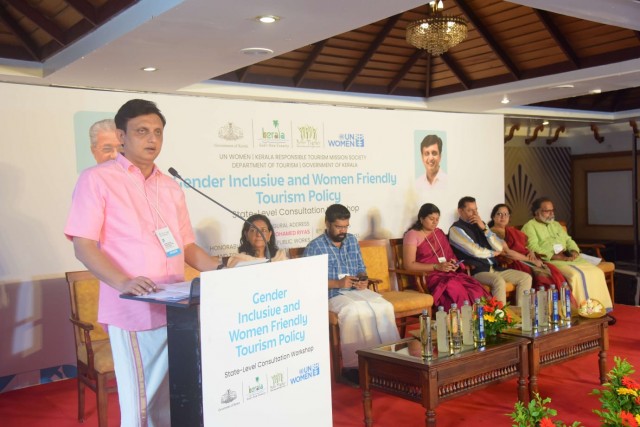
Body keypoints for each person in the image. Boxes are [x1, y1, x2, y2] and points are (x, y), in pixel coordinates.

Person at [65, 99, 222, 427]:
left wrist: (222, 271)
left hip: (178, 309)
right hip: (134, 308)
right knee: (142, 404)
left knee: (174, 401)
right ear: (121, 136)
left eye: (158, 132)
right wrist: (124, 282)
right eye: (142, 131)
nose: (152, 139)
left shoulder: (170, 186)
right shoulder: (97, 179)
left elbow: (186, 245)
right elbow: (84, 245)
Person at [303, 204, 399, 383]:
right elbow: (308, 283)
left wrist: (363, 278)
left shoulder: (352, 240)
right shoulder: (314, 247)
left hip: (356, 291)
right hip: (332, 294)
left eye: (346, 226)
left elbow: (361, 267)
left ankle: (390, 360)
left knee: (385, 306)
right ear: (327, 223)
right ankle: (354, 367)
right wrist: (338, 283)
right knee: (354, 311)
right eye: (338, 227)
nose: (343, 231)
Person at [521, 197, 613, 313]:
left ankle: (600, 309)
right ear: (536, 212)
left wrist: (574, 251)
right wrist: (557, 257)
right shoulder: (529, 227)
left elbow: (568, 240)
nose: (551, 214)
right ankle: (582, 311)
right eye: (547, 211)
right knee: (576, 275)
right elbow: (533, 248)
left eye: (552, 210)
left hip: (569, 258)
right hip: (552, 260)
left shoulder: (556, 225)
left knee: (596, 272)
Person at [403, 203, 489, 311]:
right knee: (455, 289)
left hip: (447, 273)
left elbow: (449, 255)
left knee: (475, 288)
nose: (435, 222)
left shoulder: (438, 233)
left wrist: (454, 264)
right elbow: (409, 265)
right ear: (421, 219)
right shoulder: (412, 235)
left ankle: (481, 318)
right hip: (427, 276)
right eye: (431, 219)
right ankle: (459, 319)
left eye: (437, 219)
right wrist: (436, 266)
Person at [449, 196, 532, 307]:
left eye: (476, 210)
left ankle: (522, 312)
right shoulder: (456, 229)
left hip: (494, 267)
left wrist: (484, 228)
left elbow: (499, 247)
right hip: (476, 271)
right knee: (498, 281)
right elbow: (475, 251)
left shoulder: (481, 225)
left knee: (525, 278)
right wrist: (493, 253)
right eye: (470, 210)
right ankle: (500, 315)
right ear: (460, 211)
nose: (475, 214)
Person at [489, 203, 570, 293]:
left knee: (552, 269)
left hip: (524, 258)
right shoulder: (493, 232)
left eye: (506, 214)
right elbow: (507, 253)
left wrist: (531, 252)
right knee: (540, 273)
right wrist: (531, 260)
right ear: (493, 216)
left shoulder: (511, 230)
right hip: (511, 261)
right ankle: (539, 299)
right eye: (499, 214)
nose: (503, 217)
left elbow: (524, 245)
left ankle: (555, 299)